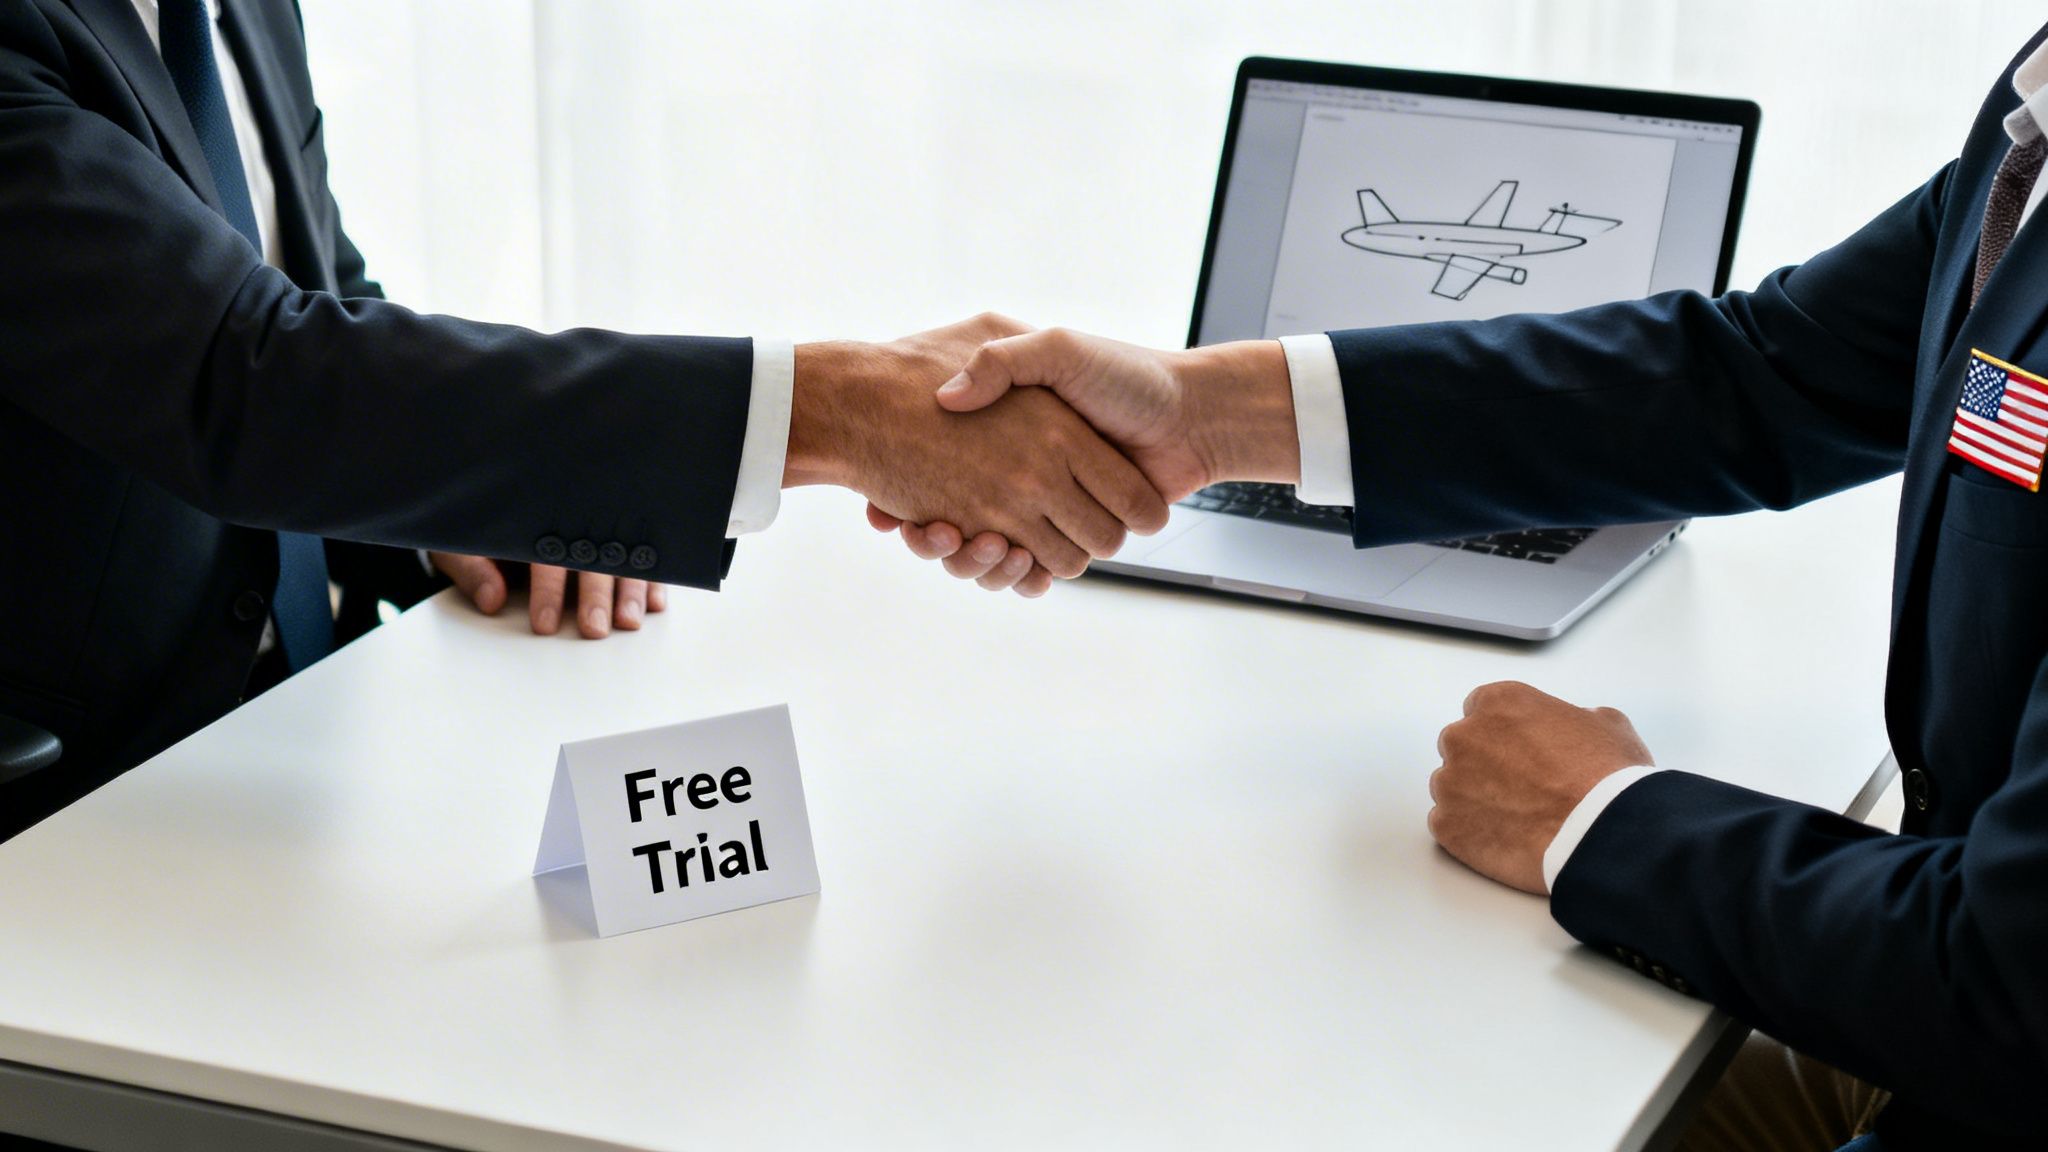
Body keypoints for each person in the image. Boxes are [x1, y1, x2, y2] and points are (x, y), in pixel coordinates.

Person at [877, 26, 2048, 1151]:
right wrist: (1200, 413)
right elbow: (1757, 373)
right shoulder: (2032, 101)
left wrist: (1596, 820)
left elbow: (2007, 990)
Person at [0, 0, 1162, 843]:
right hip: (86, 791)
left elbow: (318, 299)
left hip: (303, 740)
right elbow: (247, 378)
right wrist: (833, 407)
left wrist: (468, 503)